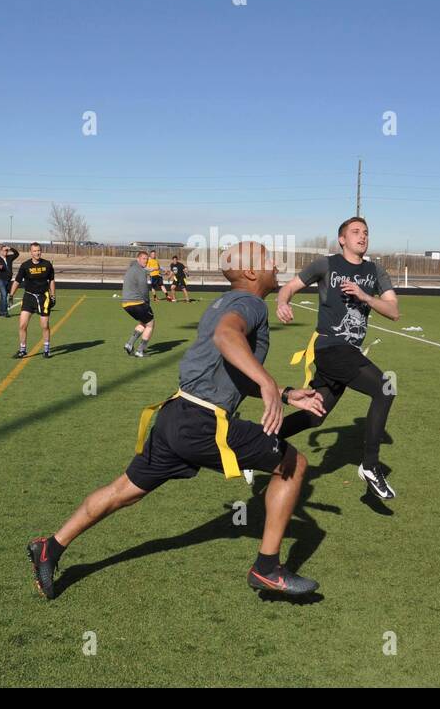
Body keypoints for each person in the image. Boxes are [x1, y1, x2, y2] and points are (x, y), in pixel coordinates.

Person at [27, 242, 326, 599]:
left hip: (176, 416)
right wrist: (265, 383)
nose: (275, 264)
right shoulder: (250, 303)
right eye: (267, 259)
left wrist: (285, 393)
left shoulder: (224, 302)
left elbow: (231, 370)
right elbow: (227, 337)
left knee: (121, 491)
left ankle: (51, 546)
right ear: (250, 272)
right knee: (292, 464)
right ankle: (266, 568)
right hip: (203, 423)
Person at [275, 217, 400, 500]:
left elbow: (394, 312)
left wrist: (365, 296)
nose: (362, 236)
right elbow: (289, 287)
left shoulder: (376, 270)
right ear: (342, 239)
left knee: (314, 415)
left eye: (366, 232)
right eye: (355, 232)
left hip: (349, 353)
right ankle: (370, 465)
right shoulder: (325, 264)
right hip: (330, 347)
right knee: (385, 389)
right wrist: (282, 302)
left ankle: (262, 438)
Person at [9, 242, 56, 359]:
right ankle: (22, 350)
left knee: (44, 325)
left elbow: (51, 281)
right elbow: (17, 281)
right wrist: (11, 295)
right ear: (31, 252)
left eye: (39, 250)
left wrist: (53, 295)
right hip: (29, 297)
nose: (37, 253)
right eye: (35, 251)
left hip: (43, 297)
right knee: (22, 325)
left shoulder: (47, 264)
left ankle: (46, 349)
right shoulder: (25, 265)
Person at [121, 251, 154, 358]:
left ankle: (129, 344)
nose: (146, 260)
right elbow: (144, 289)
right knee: (150, 324)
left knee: (143, 323)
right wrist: (147, 302)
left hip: (126, 304)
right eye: (144, 258)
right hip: (137, 302)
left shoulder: (132, 268)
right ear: (138, 259)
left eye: (147, 259)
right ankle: (140, 350)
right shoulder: (140, 271)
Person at [0, 244, 19, 317]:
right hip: (0, 280)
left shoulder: (9, 257)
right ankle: (5, 312)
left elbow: (17, 254)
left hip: (8, 280)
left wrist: (10, 248)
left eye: (7, 250)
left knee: (4, 295)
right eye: (4, 250)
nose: (6, 252)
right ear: (1, 251)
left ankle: (1, 312)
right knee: (4, 295)